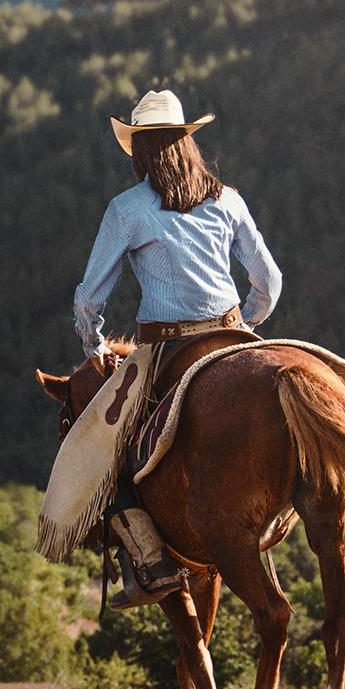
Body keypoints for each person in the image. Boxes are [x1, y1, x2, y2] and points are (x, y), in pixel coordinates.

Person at [39, 89, 282, 608]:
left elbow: (88, 297)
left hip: (166, 349)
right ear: (187, 144)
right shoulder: (227, 198)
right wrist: (247, 323)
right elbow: (270, 281)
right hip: (235, 333)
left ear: (139, 151)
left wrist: (96, 344)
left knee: (104, 450)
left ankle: (149, 561)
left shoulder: (127, 209)